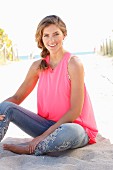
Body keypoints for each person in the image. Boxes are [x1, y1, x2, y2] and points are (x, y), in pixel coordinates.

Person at [0, 15, 98, 156]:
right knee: (5, 107)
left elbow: (74, 111)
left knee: (68, 132)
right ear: (41, 38)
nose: (51, 40)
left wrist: (41, 137)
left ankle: (31, 148)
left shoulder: (73, 63)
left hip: (74, 128)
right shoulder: (37, 66)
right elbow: (17, 97)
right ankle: (40, 143)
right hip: (46, 126)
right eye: (46, 35)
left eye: (56, 34)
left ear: (64, 35)